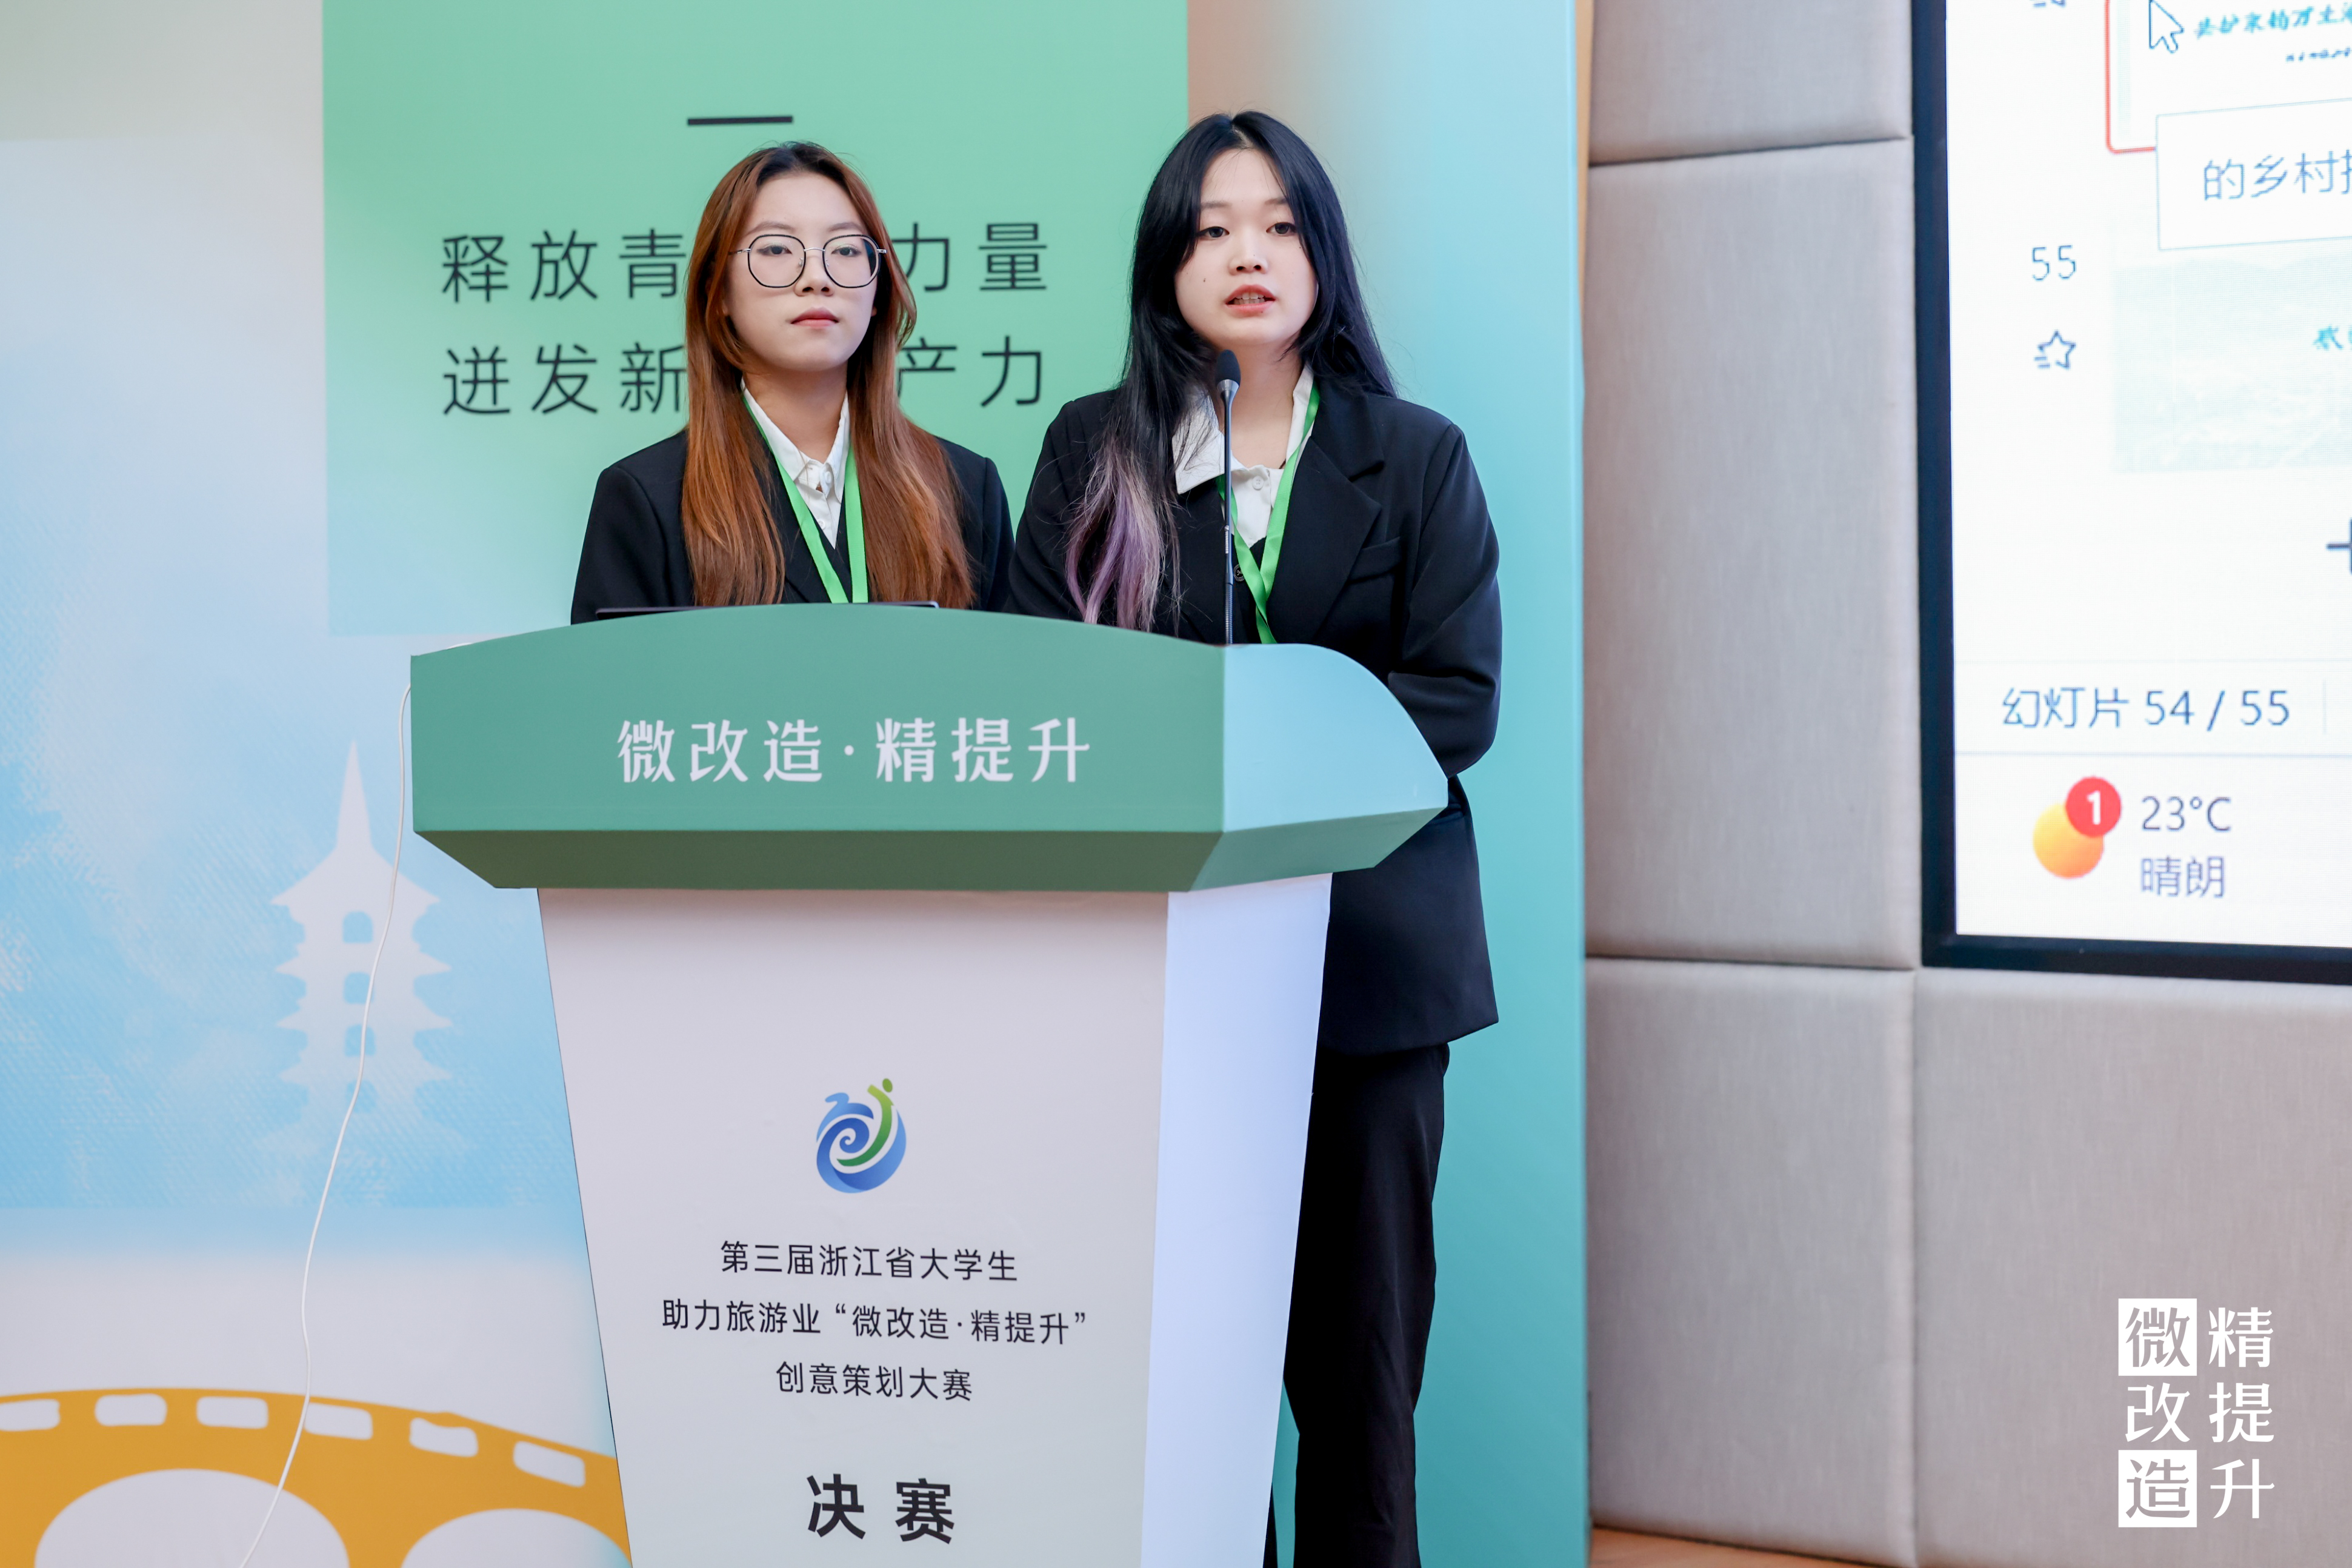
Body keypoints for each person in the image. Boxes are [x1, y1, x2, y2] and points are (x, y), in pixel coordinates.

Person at [1008, 111, 1501, 1568]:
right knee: (1184, 1372)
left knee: (1360, 1372)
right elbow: (1043, 691)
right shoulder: (1095, 451)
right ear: (1164, 264)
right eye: (1213, 227)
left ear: (1322, 254)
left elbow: (1456, 701)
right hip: (1159, 975)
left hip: (1372, 971)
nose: (1248, 253)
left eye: (1280, 225)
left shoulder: (1415, 455)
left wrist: (1233, 751)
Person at [571, 142, 1010, 620]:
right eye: (777, 249)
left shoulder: (965, 487)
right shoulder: (645, 498)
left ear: (878, 291)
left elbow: (1006, 666)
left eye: (845, 249)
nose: (816, 277)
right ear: (718, 291)